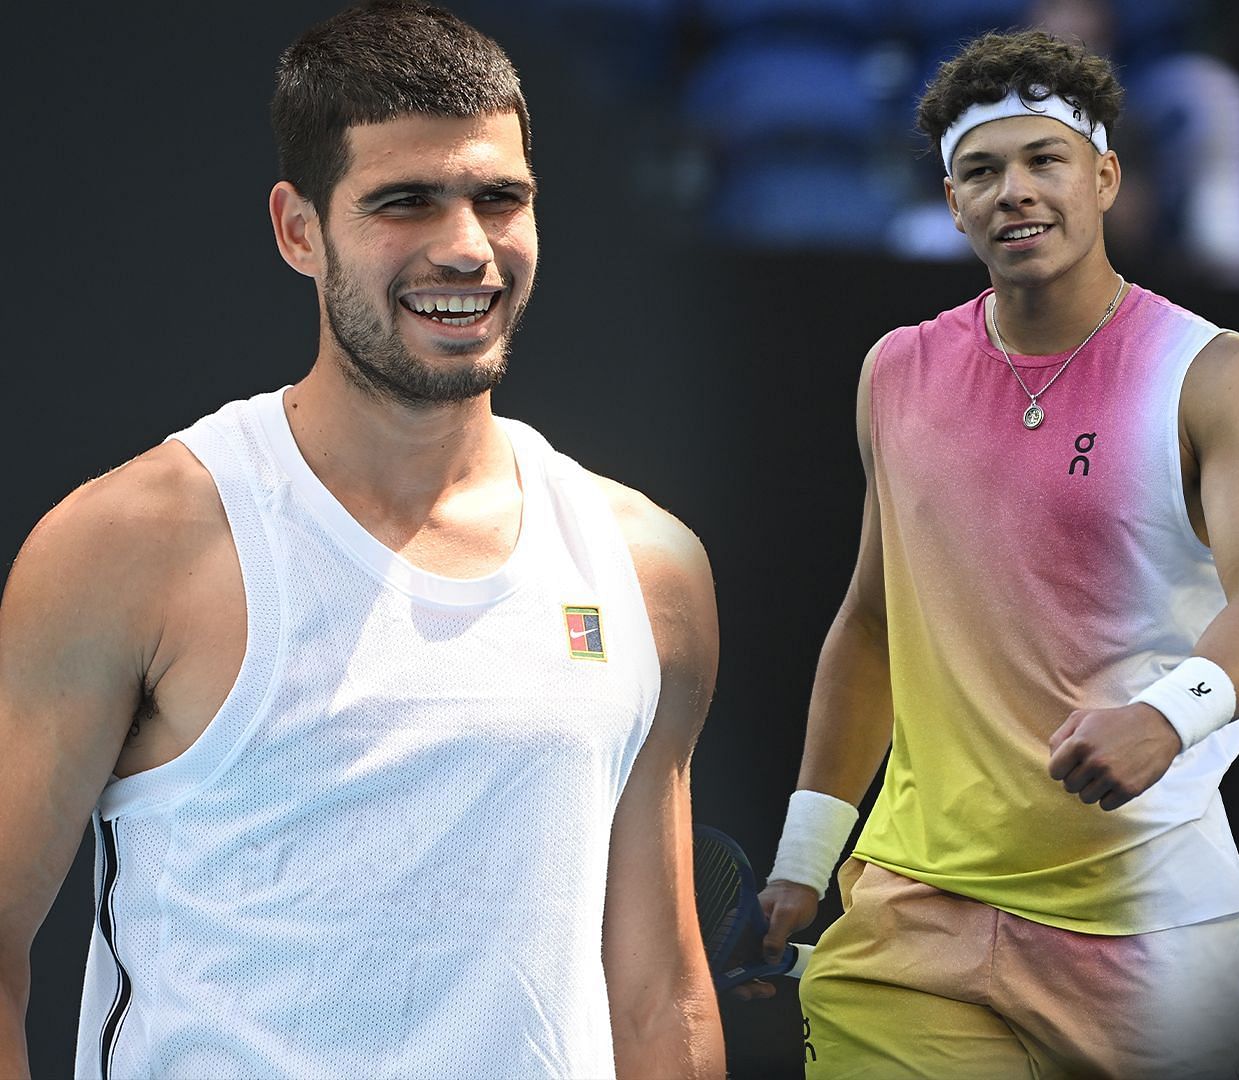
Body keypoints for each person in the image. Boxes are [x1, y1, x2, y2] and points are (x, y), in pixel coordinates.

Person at [0, 2, 723, 1076]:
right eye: (406, 202)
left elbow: (660, 997)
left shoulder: (645, 566)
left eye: (500, 198)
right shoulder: (128, 546)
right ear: (300, 230)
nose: (467, 248)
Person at [746, 29, 1239, 1079]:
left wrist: (1165, 718)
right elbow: (874, 623)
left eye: (1044, 160)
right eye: (981, 171)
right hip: (914, 915)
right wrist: (802, 862)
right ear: (951, 201)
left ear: (1103, 176)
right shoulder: (896, 370)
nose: (1015, 191)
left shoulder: (1215, 372)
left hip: (1143, 930)